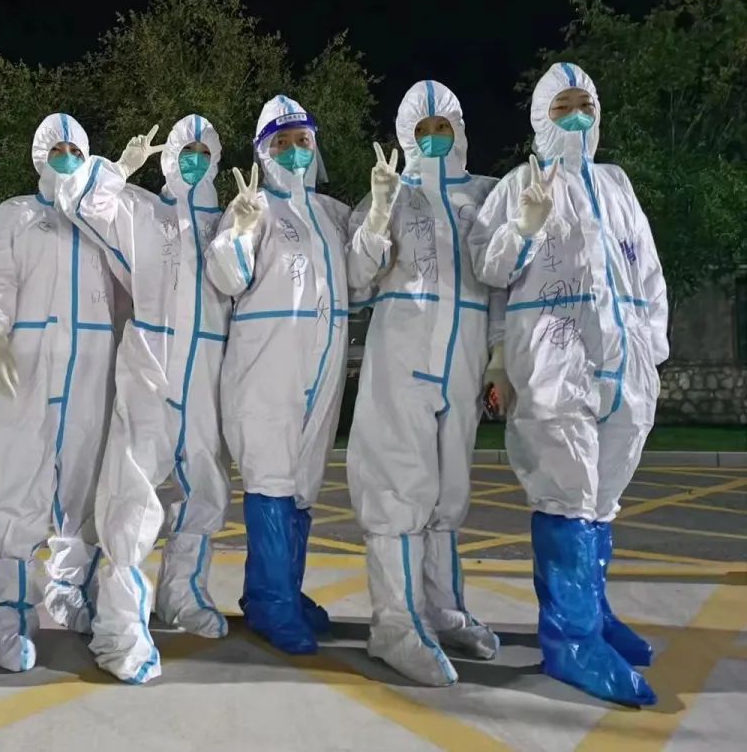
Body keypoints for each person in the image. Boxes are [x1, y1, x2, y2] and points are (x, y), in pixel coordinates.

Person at [469, 62, 668, 706]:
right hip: (555, 362)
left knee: (602, 498)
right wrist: (523, 227)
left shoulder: (616, 184)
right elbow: (488, 269)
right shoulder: (517, 186)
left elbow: (647, 268)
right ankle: (570, 642)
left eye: (586, 105)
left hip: (625, 361)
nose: (577, 117)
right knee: (566, 496)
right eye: (563, 107)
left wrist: (653, 345)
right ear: (540, 116)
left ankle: (595, 618)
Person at [56, 115, 231, 683]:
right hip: (151, 367)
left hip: (206, 371)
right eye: (185, 150)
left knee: (203, 488)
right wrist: (117, 168)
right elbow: (80, 202)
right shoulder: (143, 213)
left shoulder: (229, 220)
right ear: (168, 156)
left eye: (204, 151)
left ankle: (183, 596)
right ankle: (120, 629)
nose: (194, 159)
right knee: (132, 493)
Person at [347, 81, 504, 686]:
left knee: (448, 490)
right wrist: (378, 213)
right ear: (404, 135)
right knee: (398, 486)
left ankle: (440, 609)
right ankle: (396, 625)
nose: (435, 138)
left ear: (460, 130)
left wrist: (499, 355)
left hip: (462, 362)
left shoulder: (485, 195)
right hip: (401, 359)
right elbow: (357, 278)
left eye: (444, 127)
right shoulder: (390, 193)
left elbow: (499, 283)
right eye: (423, 129)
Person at [0, 114, 118, 671]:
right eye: (58, 150)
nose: (67, 158)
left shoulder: (102, 220)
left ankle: (72, 592)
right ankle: (7, 613)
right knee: (19, 479)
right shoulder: (16, 214)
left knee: (85, 483)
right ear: (39, 156)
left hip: (93, 367)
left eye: (77, 150)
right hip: (27, 367)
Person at [204, 96, 350, 656]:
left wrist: (379, 220)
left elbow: (361, 277)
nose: (293, 151)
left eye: (301, 140)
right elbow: (227, 277)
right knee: (270, 480)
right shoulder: (254, 206)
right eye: (280, 142)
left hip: (322, 367)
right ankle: (270, 603)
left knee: (303, 483)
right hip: (266, 368)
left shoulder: (332, 215)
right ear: (263, 152)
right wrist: (239, 231)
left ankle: (285, 588)